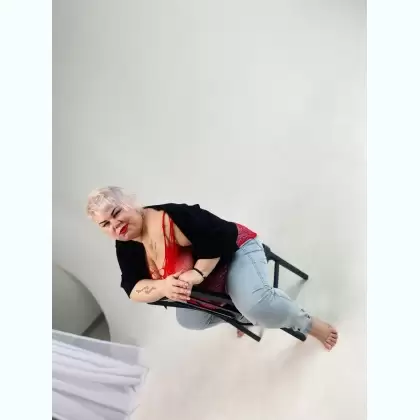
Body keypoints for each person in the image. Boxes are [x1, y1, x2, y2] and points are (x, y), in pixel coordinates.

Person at [86, 186, 338, 350]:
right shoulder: (125, 244)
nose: (115, 225)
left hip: (233, 251)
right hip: (208, 283)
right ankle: (244, 312)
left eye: (116, 213)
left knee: (256, 306)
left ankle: (307, 323)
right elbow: (132, 287)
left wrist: (197, 274)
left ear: (131, 203)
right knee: (189, 320)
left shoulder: (173, 217)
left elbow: (217, 238)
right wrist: (163, 286)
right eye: (105, 224)